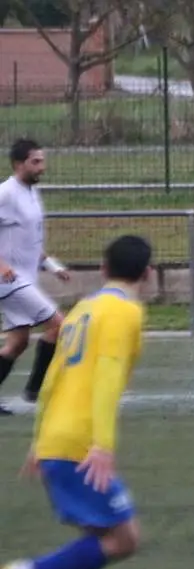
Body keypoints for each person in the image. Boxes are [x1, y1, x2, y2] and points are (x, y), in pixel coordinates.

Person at [1, 234, 153, 569]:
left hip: (56, 440)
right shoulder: (126, 313)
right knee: (124, 539)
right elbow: (106, 379)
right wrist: (102, 445)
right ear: (148, 274)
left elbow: (50, 380)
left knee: (104, 539)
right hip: (80, 445)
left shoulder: (84, 309)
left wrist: (38, 439)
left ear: (102, 270)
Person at [0, 138, 72, 415]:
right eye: (36, 162)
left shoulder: (31, 192)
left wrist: (52, 265)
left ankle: (34, 391)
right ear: (19, 164)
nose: (43, 166)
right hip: (10, 281)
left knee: (17, 343)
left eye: (43, 160)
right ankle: (37, 391)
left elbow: (28, 239)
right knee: (59, 326)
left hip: (23, 279)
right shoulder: (6, 192)